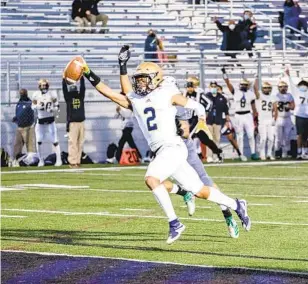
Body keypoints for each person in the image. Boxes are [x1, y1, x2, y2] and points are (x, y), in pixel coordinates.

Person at [80, 46, 251, 244]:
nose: (140, 83)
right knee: (199, 190)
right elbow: (108, 91)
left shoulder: (166, 93)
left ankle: (175, 223)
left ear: (155, 79)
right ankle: (237, 204)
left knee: (152, 179)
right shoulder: (136, 99)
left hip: (172, 147)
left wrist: (202, 119)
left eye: (144, 79)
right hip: (164, 151)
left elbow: (196, 105)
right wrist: (89, 72)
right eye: (138, 79)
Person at [160, 76, 239, 238]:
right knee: (155, 181)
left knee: (205, 182)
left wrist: (176, 133)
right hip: (164, 149)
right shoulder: (156, 102)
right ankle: (183, 193)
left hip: (181, 147)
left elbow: (186, 131)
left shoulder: (178, 105)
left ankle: (228, 215)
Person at [222, 68, 259, 161]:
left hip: (248, 115)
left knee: (251, 135)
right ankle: (241, 154)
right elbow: (228, 83)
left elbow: (253, 106)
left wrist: (255, 118)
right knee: (240, 136)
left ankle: (253, 153)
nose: (243, 86)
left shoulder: (251, 94)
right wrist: (224, 74)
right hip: (238, 115)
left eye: (245, 85)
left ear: (248, 86)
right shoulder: (236, 92)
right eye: (242, 84)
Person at [184, 77, 224, 162]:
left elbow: (209, 103)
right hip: (188, 119)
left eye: (189, 85)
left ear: (194, 86)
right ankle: (218, 152)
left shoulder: (199, 94)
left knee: (187, 135)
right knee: (205, 139)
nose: (188, 88)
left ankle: (186, 157)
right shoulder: (185, 94)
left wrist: (205, 113)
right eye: (187, 86)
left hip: (196, 119)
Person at [32, 79, 62, 167]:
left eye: (45, 85)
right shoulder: (36, 95)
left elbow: (58, 106)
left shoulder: (52, 94)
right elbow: (32, 106)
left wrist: (52, 109)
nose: (44, 87)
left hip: (50, 121)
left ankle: (59, 160)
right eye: (42, 85)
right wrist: (37, 106)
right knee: (39, 141)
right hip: (40, 121)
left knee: (55, 141)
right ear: (39, 86)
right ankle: (41, 160)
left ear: (48, 85)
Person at [62, 76, 86, 168]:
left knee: (80, 142)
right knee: (73, 143)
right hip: (73, 123)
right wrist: (63, 80)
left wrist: (82, 78)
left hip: (81, 122)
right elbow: (64, 90)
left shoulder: (80, 96)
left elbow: (83, 88)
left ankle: (78, 161)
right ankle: (72, 161)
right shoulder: (68, 98)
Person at [286, 69, 308, 159]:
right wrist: (289, 75)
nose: (303, 87)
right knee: (299, 135)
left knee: (306, 136)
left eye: (305, 85)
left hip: (307, 116)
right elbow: (291, 84)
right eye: (301, 85)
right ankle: (299, 153)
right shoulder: (296, 92)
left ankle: (305, 152)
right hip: (299, 115)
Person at [205, 81, 229, 162]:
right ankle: (209, 156)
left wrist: (227, 120)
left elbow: (226, 110)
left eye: (215, 86)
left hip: (218, 120)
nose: (213, 88)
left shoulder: (221, 97)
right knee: (209, 138)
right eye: (212, 86)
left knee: (217, 139)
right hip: (209, 120)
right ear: (209, 87)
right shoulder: (207, 96)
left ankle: (216, 155)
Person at [253, 78, 277, 160]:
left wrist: (275, 119)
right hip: (262, 120)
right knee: (263, 138)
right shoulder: (260, 94)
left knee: (271, 138)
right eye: (265, 88)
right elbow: (255, 88)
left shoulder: (272, 97)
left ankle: (269, 154)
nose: (266, 89)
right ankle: (261, 153)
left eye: (268, 88)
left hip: (270, 119)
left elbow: (275, 109)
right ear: (263, 88)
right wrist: (256, 79)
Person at [12, 89, 36, 166]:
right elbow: (18, 113)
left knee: (29, 145)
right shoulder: (19, 103)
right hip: (19, 127)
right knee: (17, 144)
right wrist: (16, 118)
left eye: (23, 93)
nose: (21, 94)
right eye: (20, 93)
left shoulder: (29, 103)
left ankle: (32, 161)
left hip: (27, 127)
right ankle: (16, 160)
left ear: (26, 93)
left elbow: (31, 115)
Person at [220, 85, 244, 160]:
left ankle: (239, 153)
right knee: (214, 139)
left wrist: (227, 120)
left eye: (218, 89)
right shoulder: (210, 96)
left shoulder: (223, 97)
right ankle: (216, 155)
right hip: (214, 120)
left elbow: (226, 108)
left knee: (230, 137)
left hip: (223, 119)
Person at [273, 81, 295, 158]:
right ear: (278, 88)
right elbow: (274, 109)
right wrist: (274, 120)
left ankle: (286, 152)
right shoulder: (276, 96)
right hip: (279, 117)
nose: (283, 88)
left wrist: (289, 107)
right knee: (278, 137)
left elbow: (293, 106)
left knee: (287, 137)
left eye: (285, 86)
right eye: (281, 86)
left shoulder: (289, 95)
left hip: (287, 118)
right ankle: (277, 152)